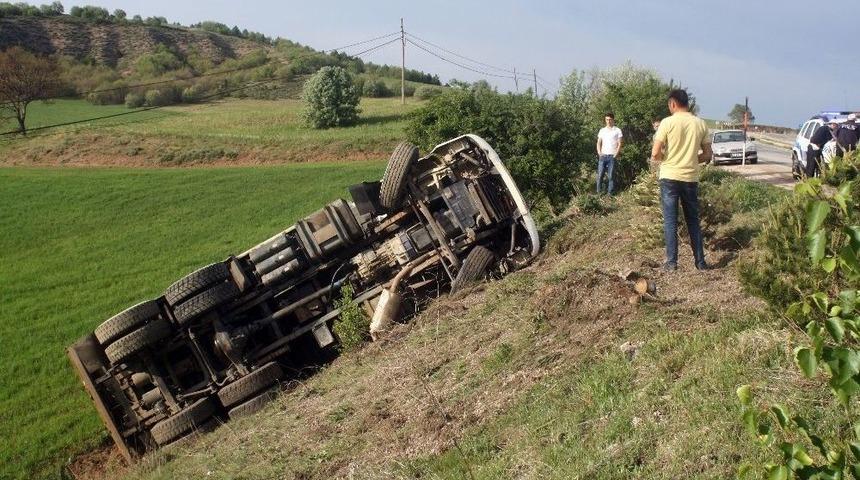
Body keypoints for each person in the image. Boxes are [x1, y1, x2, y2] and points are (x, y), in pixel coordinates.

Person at [651, 89, 712, 271]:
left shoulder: (667, 123)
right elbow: (708, 154)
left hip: (669, 177)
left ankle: (671, 263)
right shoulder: (700, 124)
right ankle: (700, 262)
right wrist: (693, 159)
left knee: (670, 220)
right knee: (693, 220)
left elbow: (655, 153)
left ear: (672, 104)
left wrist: (666, 157)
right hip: (690, 178)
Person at [596, 113, 623, 195]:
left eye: (610, 119)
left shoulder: (617, 130)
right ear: (605, 120)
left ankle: (610, 194)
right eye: (607, 119)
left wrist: (616, 154)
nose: (608, 121)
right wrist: (599, 152)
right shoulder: (602, 130)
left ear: (613, 120)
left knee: (611, 176)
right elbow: (598, 143)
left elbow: (620, 144)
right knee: (600, 175)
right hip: (603, 156)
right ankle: (599, 193)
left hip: (612, 156)